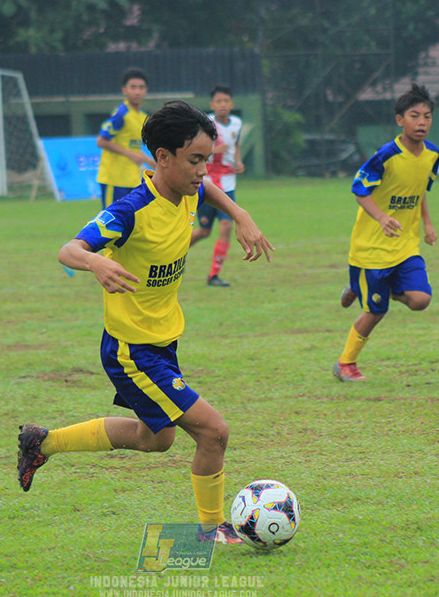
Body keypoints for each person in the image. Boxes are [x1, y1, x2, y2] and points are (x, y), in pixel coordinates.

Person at [18, 100, 275, 544]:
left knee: (154, 439)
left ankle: (43, 442)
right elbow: (69, 250)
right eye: (195, 161)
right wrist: (95, 265)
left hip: (162, 342)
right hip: (132, 351)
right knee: (213, 433)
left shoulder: (187, 188)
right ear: (162, 158)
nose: (202, 172)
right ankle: (212, 529)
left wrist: (242, 214)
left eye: (206, 161)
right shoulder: (130, 210)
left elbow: (208, 188)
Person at [334, 83, 439, 382]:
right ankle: (346, 364)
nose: (422, 122)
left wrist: (428, 223)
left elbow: (419, 191)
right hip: (372, 250)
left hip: (406, 245)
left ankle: (360, 288)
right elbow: (359, 191)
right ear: (399, 120)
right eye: (414, 116)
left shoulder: (432, 154)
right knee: (376, 312)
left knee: (421, 300)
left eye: (427, 116)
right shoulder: (386, 155)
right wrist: (381, 217)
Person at [190, 85, 245, 287]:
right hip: (207, 184)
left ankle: (214, 275)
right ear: (212, 104)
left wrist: (238, 161)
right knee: (204, 231)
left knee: (227, 225)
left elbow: (236, 144)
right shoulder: (207, 124)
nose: (223, 105)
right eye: (218, 101)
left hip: (228, 185)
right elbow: (195, 151)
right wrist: (213, 151)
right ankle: (173, 256)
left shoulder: (237, 123)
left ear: (231, 103)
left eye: (226, 101)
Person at [96, 68, 156, 207]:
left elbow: (132, 146)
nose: (137, 91)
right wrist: (130, 154)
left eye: (141, 88)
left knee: (132, 225)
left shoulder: (142, 117)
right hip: (114, 179)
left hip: (133, 180)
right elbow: (101, 141)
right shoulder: (121, 114)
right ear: (124, 90)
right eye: (133, 87)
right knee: (112, 224)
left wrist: (148, 160)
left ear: (146, 90)